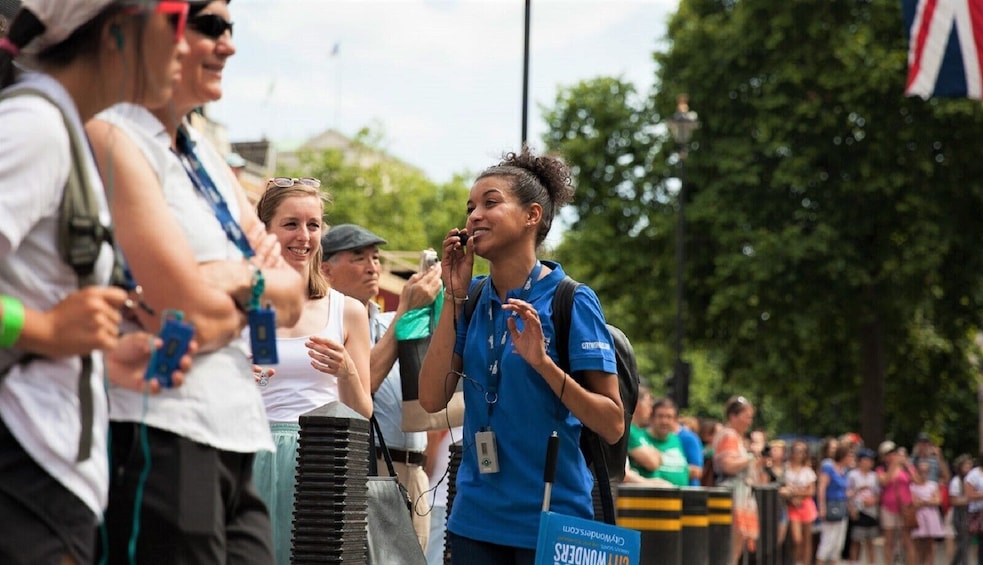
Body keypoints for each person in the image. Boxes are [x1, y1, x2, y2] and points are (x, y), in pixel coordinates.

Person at [85, 1, 307, 561]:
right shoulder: (112, 136)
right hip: (157, 429)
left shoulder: (206, 155)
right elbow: (183, 312)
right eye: (210, 26)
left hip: (236, 432)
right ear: (155, 30)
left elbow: (292, 295)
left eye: (231, 28)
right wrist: (249, 277)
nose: (228, 44)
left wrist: (222, 279)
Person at [0, 1, 193, 562]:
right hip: (23, 477)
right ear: (117, 32)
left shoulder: (58, 128)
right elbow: (38, 321)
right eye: (177, 20)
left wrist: (100, 360)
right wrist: (41, 327)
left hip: (46, 485)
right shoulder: (35, 128)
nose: (183, 45)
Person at [418, 146, 623, 563]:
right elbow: (431, 398)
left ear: (532, 216)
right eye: (471, 206)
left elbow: (612, 423)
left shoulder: (572, 300)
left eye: (490, 203)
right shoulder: (471, 298)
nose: (474, 215)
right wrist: (454, 296)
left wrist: (543, 364)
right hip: (474, 517)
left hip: (553, 520)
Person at [251, 181, 373, 564]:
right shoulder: (241, 304)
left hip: (321, 459)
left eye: (314, 225)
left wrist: (347, 370)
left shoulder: (347, 310)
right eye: (290, 224)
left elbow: (362, 413)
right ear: (266, 230)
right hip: (248, 453)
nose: (303, 236)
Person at [321, 223, 443, 551]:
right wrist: (406, 310)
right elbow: (363, 385)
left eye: (375, 257)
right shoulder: (325, 323)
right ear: (325, 269)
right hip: (366, 468)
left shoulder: (391, 322)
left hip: (414, 476)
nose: (372, 266)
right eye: (358, 257)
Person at [713, 395, 764, 565]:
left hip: (741, 495)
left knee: (737, 544)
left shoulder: (737, 437)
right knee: (732, 545)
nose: (749, 421)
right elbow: (727, 465)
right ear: (733, 416)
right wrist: (752, 456)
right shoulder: (729, 435)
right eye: (746, 416)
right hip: (733, 495)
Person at [878, 440, 916, 565]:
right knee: (889, 541)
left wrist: (907, 464)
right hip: (888, 508)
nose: (892, 456)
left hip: (905, 508)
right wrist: (894, 465)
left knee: (907, 541)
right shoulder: (881, 469)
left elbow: (918, 481)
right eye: (888, 454)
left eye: (893, 453)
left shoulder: (905, 468)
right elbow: (885, 481)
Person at [816, 444, 854, 565]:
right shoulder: (828, 467)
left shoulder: (844, 471)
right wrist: (822, 507)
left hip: (842, 507)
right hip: (831, 506)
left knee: (838, 544)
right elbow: (821, 488)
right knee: (827, 541)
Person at [644, 397, 691, 487]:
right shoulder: (642, 438)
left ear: (675, 420)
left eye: (669, 417)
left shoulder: (675, 439)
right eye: (660, 416)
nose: (664, 421)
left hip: (679, 496)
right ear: (652, 418)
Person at [785, 440, 818, 565]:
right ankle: (796, 561)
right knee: (797, 539)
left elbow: (811, 491)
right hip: (793, 507)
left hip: (806, 506)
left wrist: (796, 493)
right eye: (797, 451)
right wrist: (796, 495)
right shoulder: (786, 469)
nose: (799, 454)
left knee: (807, 539)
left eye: (802, 451)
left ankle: (806, 562)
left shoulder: (808, 471)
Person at [846, 448, 879, 565]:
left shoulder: (874, 476)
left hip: (871, 512)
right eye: (867, 460)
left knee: (871, 542)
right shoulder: (852, 475)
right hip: (858, 511)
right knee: (856, 541)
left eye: (871, 460)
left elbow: (878, 494)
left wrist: (873, 501)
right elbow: (848, 494)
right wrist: (851, 509)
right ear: (860, 461)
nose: (870, 462)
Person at [909, 458, 944, 565]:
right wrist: (929, 501)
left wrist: (924, 501)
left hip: (931, 517)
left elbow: (938, 500)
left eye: (926, 471)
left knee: (930, 545)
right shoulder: (913, 486)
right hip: (918, 517)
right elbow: (914, 502)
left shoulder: (932, 484)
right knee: (918, 546)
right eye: (921, 471)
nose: (923, 473)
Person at [627, 385, 662, 479]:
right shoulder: (629, 431)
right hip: (637, 491)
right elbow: (652, 462)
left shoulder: (641, 432)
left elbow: (659, 458)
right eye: (649, 405)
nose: (651, 411)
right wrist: (653, 454)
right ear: (638, 404)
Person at [948, 453, 973, 565]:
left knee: (965, 542)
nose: (968, 468)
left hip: (968, 512)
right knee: (963, 542)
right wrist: (970, 499)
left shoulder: (970, 480)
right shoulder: (956, 481)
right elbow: (953, 500)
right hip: (960, 513)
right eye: (966, 465)